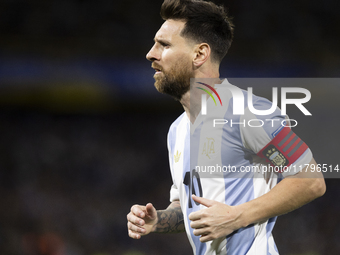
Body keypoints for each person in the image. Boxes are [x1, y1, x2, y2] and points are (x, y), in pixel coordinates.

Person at [127, 0, 326, 254]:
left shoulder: (249, 112)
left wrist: (237, 216)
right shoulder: (176, 131)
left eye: (164, 45)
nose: (151, 53)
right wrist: (159, 221)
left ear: (199, 54)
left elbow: (311, 180)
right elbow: (191, 211)